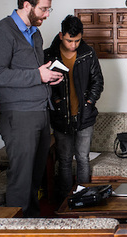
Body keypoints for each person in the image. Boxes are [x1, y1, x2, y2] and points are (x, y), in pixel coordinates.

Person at [0, 0, 62, 217]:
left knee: (34, 177)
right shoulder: (1, 31)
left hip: (40, 111)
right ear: (26, 4)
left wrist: (46, 76)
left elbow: (31, 73)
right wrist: (37, 75)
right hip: (18, 114)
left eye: (49, 9)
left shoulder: (35, 34)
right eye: (43, 9)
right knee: (21, 177)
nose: (47, 14)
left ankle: (32, 227)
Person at [44, 15, 104, 201]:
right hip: (61, 116)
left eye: (77, 40)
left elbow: (98, 82)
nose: (74, 45)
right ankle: (64, 200)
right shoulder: (48, 54)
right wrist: (55, 102)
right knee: (64, 161)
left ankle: (83, 198)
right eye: (70, 40)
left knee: (83, 159)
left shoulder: (88, 53)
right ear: (61, 35)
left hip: (84, 115)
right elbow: (43, 85)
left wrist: (89, 102)